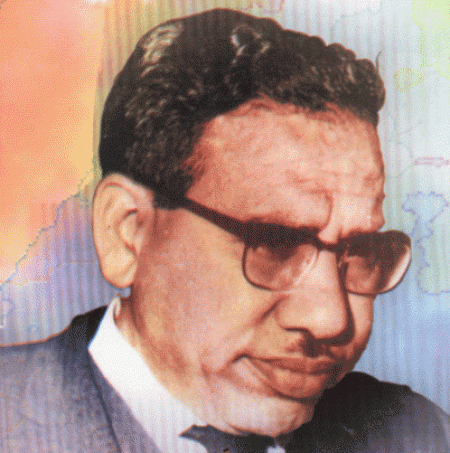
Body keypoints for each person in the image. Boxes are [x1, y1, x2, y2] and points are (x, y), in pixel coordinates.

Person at [1, 8, 449, 453]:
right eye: (274, 245)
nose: (330, 320)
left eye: (360, 250)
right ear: (127, 233)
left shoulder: (421, 434)